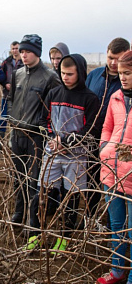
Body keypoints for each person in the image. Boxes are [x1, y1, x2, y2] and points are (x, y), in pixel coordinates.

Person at [25, 54, 100, 253]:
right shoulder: (54, 93)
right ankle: (35, 234)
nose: (65, 77)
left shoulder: (90, 99)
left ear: (81, 73)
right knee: (41, 194)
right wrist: (52, 138)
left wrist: (65, 141)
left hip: (76, 157)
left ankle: (64, 237)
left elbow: (90, 130)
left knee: (71, 198)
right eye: (63, 73)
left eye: (70, 74)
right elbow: (43, 120)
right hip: (52, 153)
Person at [7, 34, 61, 224]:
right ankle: (18, 211)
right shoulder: (18, 74)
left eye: (28, 51)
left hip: (36, 137)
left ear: (37, 53)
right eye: (21, 51)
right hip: (17, 133)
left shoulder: (50, 77)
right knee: (18, 176)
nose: (23, 55)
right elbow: (11, 98)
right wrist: (12, 120)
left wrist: (43, 128)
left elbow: (54, 108)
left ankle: (33, 219)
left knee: (34, 180)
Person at [96, 50, 132, 284]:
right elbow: (107, 127)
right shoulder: (116, 97)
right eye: (120, 74)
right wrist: (104, 148)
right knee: (117, 226)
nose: (123, 78)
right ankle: (117, 272)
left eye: (128, 73)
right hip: (111, 171)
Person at [85, 37, 130, 217]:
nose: (113, 63)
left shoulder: (126, 81)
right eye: (110, 57)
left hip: (120, 146)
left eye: (118, 59)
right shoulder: (94, 76)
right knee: (92, 182)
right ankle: (92, 217)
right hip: (93, 139)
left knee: (121, 187)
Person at [0, 41, 24, 150]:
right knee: (3, 118)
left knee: (15, 119)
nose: (15, 50)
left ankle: (11, 142)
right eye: (13, 48)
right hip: (6, 95)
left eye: (17, 48)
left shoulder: (24, 62)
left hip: (19, 96)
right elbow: (1, 76)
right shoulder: (6, 62)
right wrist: (5, 84)